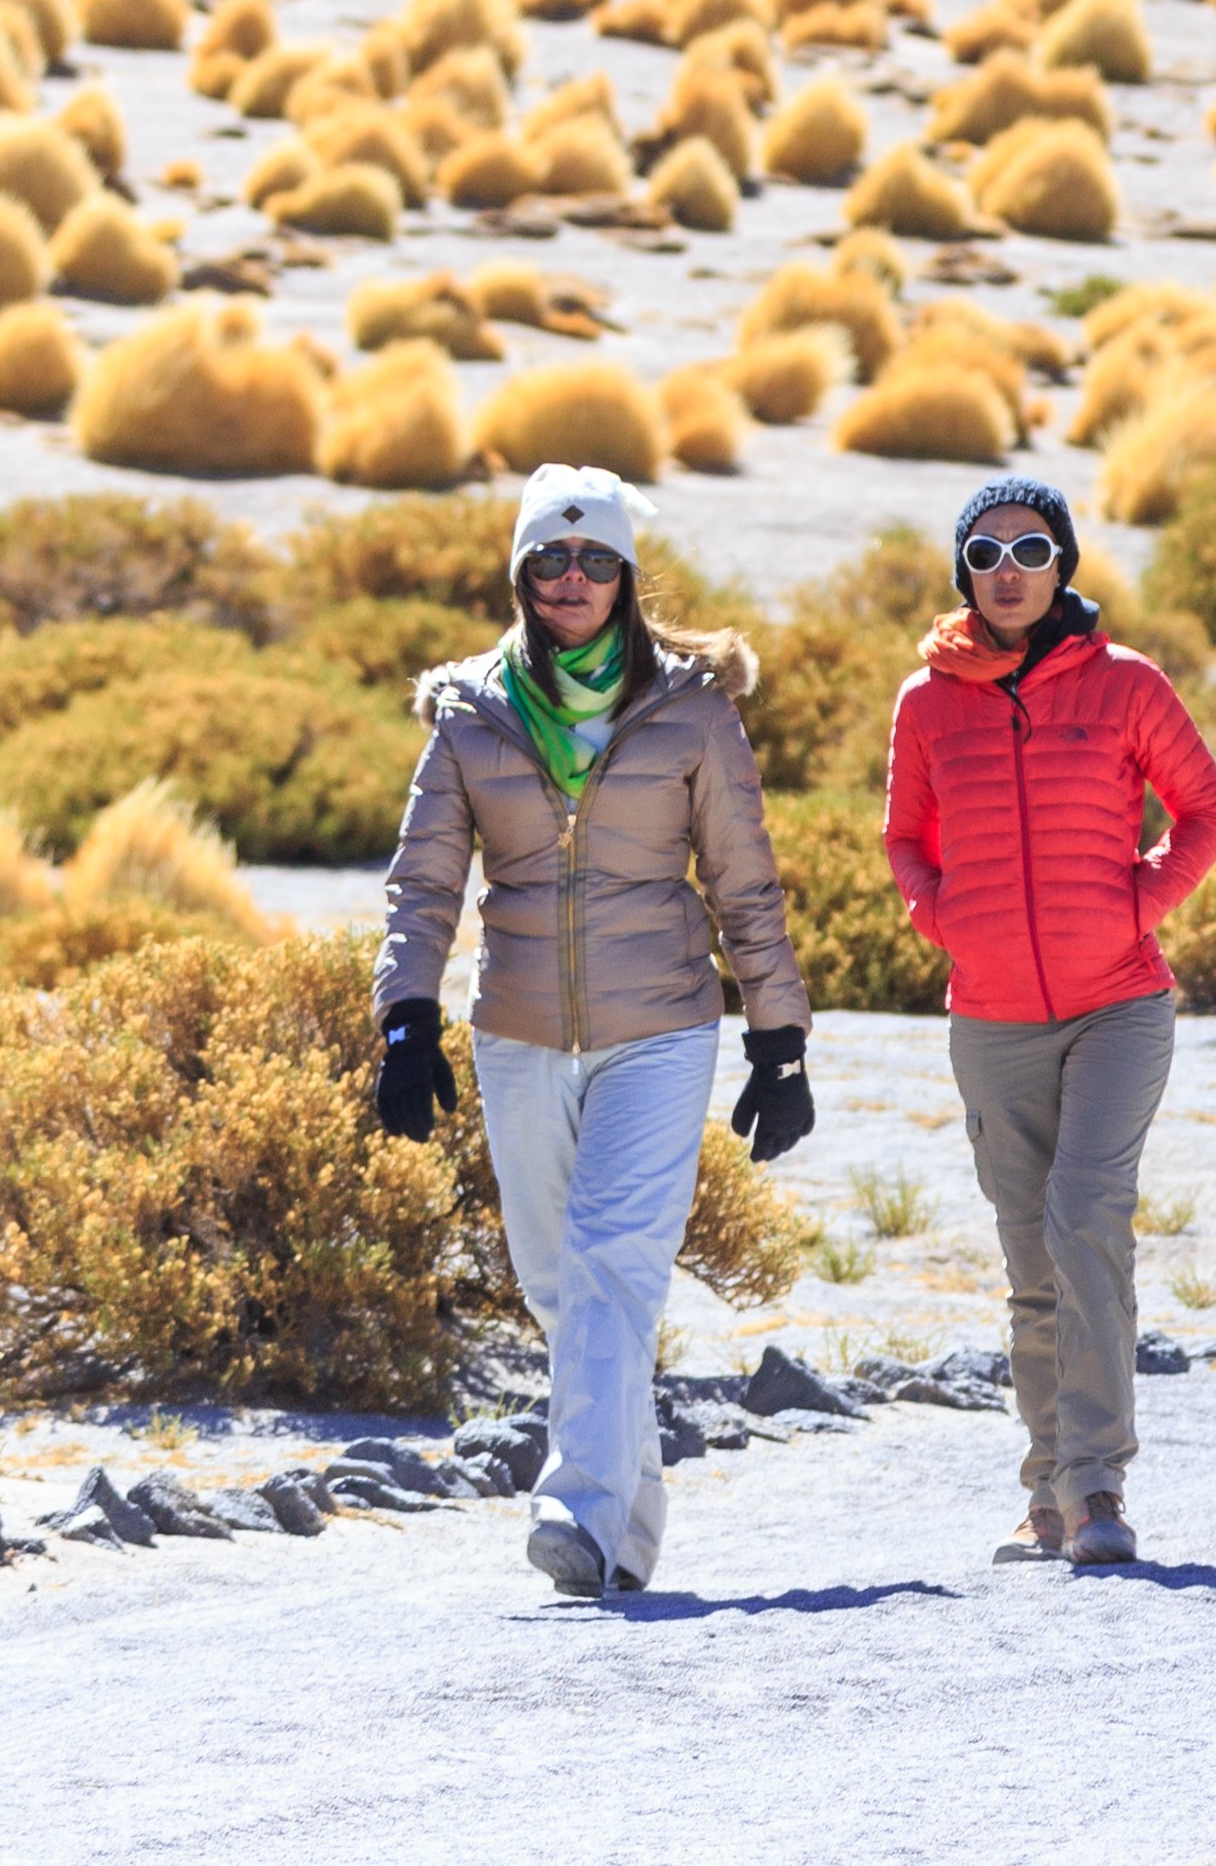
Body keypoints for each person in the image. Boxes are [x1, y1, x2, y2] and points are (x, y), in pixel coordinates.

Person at [372, 468, 811, 1601]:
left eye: (596, 561)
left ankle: (573, 1509)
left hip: (659, 1027)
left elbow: (744, 882)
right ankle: (627, 1534)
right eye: (551, 561)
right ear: (521, 573)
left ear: (626, 578)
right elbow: (423, 883)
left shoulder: (692, 712)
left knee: (614, 1263)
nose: (573, 580)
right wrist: (404, 1017)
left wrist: (779, 1036)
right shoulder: (470, 713)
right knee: (556, 1285)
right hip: (517, 1028)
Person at [881, 473, 1216, 1569]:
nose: (1008, 574)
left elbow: (1206, 812)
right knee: (1032, 1259)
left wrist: (1136, 901)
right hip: (990, 1017)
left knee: (1086, 1218)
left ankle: (1097, 1491)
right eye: (984, 556)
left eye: (1029, 551)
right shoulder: (927, 703)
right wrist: (943, 916)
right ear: (963, 575)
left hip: (1118, 1003)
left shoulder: (1125, 686)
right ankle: (1045, 1494)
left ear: (1063, 563)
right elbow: (904, 837)